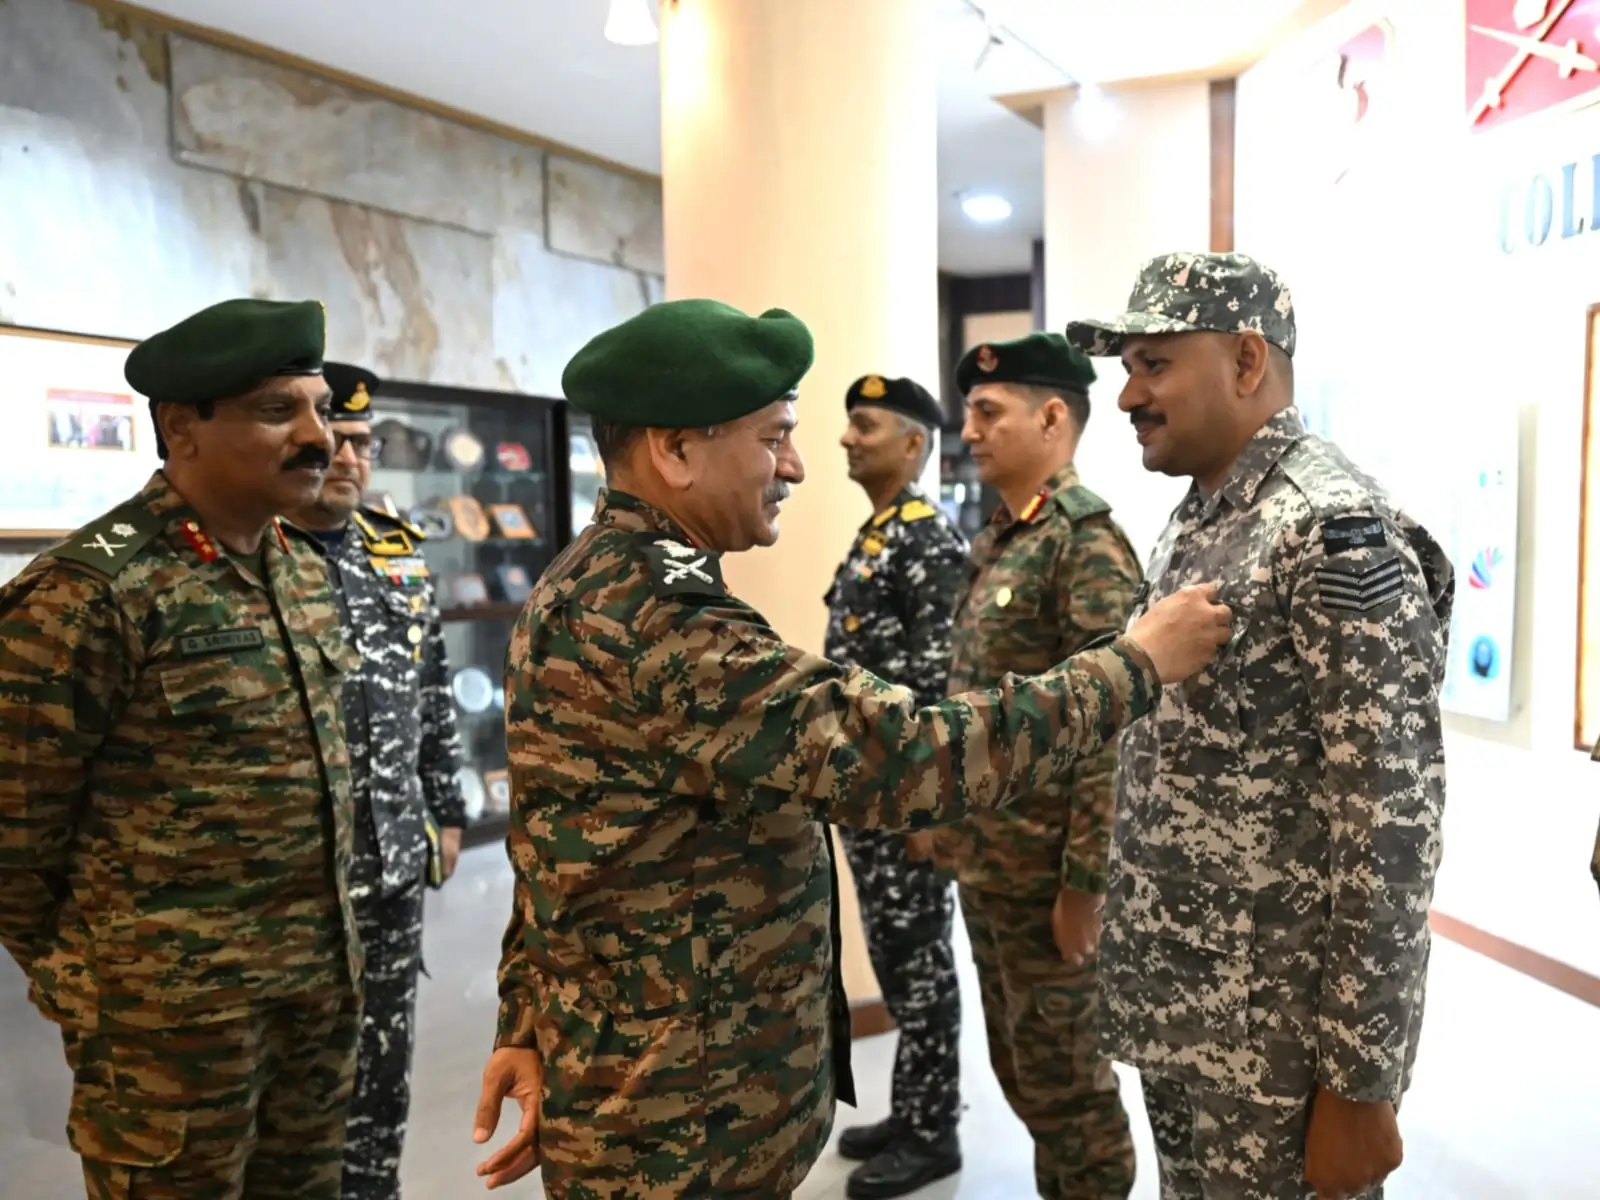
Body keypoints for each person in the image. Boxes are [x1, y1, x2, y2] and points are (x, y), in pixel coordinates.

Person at [469, 297, 1235, 1199]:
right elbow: (908, 757)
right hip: (675, 1116)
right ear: (674, 450)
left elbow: (549, 839)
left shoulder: (583, 582)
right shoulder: (657, 620)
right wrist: (1138, 662)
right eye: (773, 438)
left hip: (659, 1080)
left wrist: (525, 1015)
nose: (796, 464)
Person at [1065, 251, 1454, 1200]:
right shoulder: (1203, 514)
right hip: (1188, 1012)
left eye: (1155, 364)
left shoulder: (1330, 527)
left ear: (1246, 361)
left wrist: (1360, 1083)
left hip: (1276, 1052)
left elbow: (1391, 824)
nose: (1127, 397)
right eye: (1128, 368)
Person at [0, 298, 365, 1198]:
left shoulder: (297, 568)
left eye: (320, 409)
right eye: (278, 411)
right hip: (169, 1026)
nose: (317, 437)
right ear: (181, 427)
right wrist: (100, 982)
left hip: (313, 995)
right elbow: (13, 834)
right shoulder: (92, 593)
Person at [912, 331, 1144, 1199]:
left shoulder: (1085, 543)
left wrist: (1086, 883)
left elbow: (1114, 727)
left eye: (987, 411)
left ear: (1052, 418)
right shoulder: (1004, 539)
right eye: (968, 412)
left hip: (1048, 874)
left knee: (1070, 1090)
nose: (968, 430)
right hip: (991, 864)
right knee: (1023, 1073)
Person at [281, 361, 469, 1200]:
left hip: (393, 862)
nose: (351, 460)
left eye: (364, 443)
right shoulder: (259, 555)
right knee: (299, 1094)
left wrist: (449, 807)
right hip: (298, 883)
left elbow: (432, 690)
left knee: (383, 1073)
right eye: (338, 442)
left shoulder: (396, 552)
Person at [825, 374, 970, 1198]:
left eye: (866, 425)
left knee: (921, 968)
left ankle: (933, 1131)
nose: (848, 439)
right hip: (869, 799)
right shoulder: (880, 534)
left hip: (903, 801)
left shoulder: (925, 541)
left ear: (913, 444)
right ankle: (912, 1111)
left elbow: (941, 688)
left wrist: (929, 808)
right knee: (895, 956)